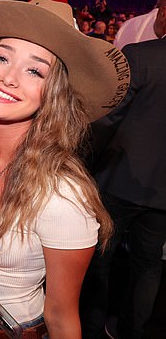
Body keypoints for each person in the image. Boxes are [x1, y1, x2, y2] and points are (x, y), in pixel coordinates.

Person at [0, 0, 129, 338]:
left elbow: (63, 318)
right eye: (1, 57)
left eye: (35, 70)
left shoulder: (62, 197)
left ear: (53, 94)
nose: (8, 77)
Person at [81, 37, 166, 339]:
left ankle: (90, 329)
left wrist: (88, 162)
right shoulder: (141, 56)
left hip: (119, 178)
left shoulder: (139, 55)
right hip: (161, 192)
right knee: (149, 264)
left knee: (99, 259)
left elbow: (108, 117)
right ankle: (132, 331)